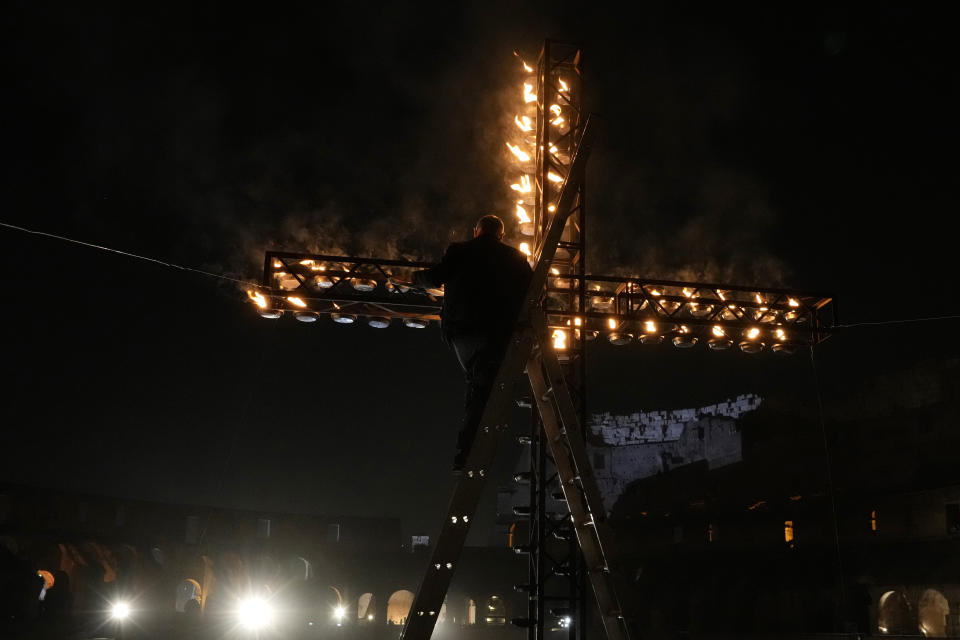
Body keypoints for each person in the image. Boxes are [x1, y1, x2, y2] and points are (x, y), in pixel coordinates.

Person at [413, 214, 532, 472]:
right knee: (481, 389)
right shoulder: (516, 257)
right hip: (497, 333)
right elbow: (534, 291)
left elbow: (434, 278)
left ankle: (466, 451)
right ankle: (467, 451)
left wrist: (414, 278)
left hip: (462, 331)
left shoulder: (460, 250)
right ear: (501, 235)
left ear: (476, 231)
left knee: (478, 387)